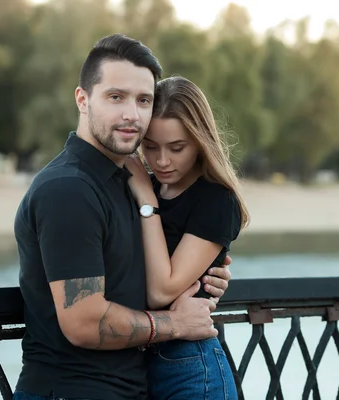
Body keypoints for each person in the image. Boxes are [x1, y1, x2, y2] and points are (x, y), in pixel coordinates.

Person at [12, 34, 234, 400]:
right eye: (116, 97)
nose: (132, 114)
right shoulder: (70, 188)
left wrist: (209, 275)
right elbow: (84, 322)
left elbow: (157, 268)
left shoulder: (129, 184)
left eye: (143, 100)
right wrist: (175, 324)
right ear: (83, 99)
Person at [124, 76, 250, 400]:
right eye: (150, 146)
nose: (162, 161)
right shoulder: (142, 187)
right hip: (129, 368)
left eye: (176, 148)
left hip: (190, 370)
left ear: (200, 141)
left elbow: (161, 291)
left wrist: (148, 203)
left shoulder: (215, 199)